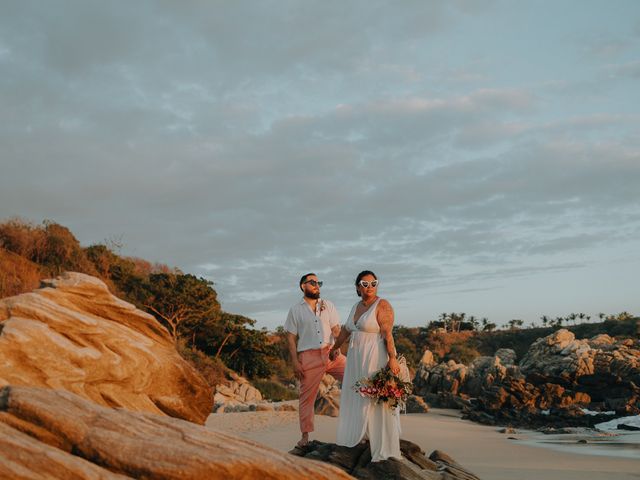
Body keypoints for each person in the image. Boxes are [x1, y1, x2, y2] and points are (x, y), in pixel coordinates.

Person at [329, 270, 402, 462]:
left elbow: (387, 333)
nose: (369, 287)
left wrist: (392, 358)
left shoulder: (382, 305)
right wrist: (335, 348)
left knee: (374, 397)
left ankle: (382, 443)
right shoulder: (356, 306)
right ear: (357, 287)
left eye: (373, 283)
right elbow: (346, 330)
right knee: (357, 395)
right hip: (355, 358)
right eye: (365, 283)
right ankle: (362, 436)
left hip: (374, 357)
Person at [284, 272, 346, 448]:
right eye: (312, 282)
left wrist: (337, 348)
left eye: (319, 282)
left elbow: (336, 329)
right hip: (308, 356)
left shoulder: (329, 305)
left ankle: (360, 427)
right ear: (303, 286)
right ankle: (305, 436)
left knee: (355, 378)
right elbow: (290, 338)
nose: (317, 285)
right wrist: (295, 362)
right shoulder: (295, 310)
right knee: (306, 399)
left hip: (331, 353)